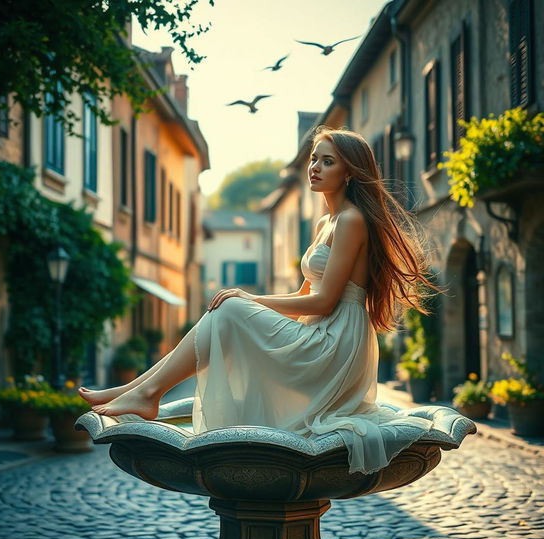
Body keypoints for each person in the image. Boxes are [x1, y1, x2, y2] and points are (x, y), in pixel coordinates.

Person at [79, 127, 442, 475]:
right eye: (314, 159)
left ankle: (144, 393)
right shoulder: (325, 223)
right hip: (320, 331)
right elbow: (303, 294)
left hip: (336, 342)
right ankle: (139, 391)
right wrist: (250, 305)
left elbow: (325, 302)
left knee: (232, 307)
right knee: (229, 309)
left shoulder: (351, 220)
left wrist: (250, 301)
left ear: (350, 171)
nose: (315, 168)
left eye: (328, 161)